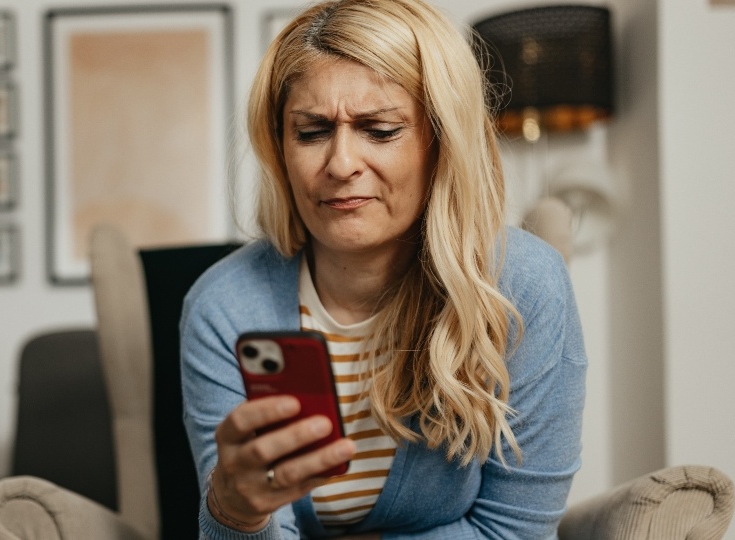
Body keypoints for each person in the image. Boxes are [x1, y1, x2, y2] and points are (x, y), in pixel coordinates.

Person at [180, 0, 587, 538]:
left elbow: (512, 532)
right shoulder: (223, 307)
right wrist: (235, 513)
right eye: (311, 131)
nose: (341, 164)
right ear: (280, 149)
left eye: (379, 129)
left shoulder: (524, 287)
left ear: (441, 141)